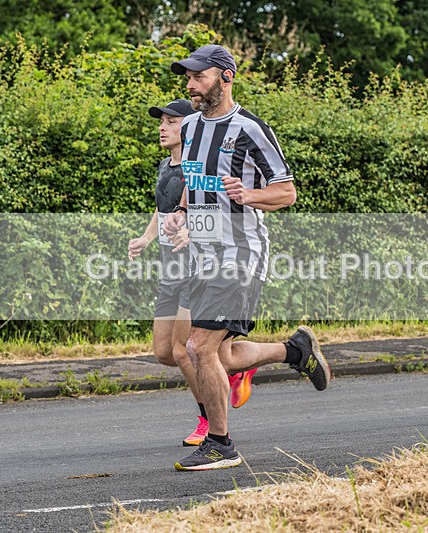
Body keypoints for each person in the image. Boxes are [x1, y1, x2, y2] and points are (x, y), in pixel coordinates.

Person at [162, 44, 331, 471]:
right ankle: (295, 351)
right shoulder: (194, 127)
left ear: (226, 77)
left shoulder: (251, 129)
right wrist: (181, 214)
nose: (190, 85)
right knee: (220, 357)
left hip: (239, 254)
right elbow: (194, 179)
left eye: (198, 77)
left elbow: (287, 191)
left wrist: (249, 194)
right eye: (189, 77)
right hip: (202, 254)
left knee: (199, 346)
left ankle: (221, 444)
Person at [127, 98, 257, 448]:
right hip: (171, 268)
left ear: (189, 127)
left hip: (196, 268)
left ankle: (208, 424)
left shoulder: (198, 166)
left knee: (187, 351)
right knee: (164, 353)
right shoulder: (165, 165)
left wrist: (191, 231)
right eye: (162, 121)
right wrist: (146, 237)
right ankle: (235, 367)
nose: (162, 127)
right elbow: (163, 208)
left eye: (171, 121)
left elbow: (216, 208)